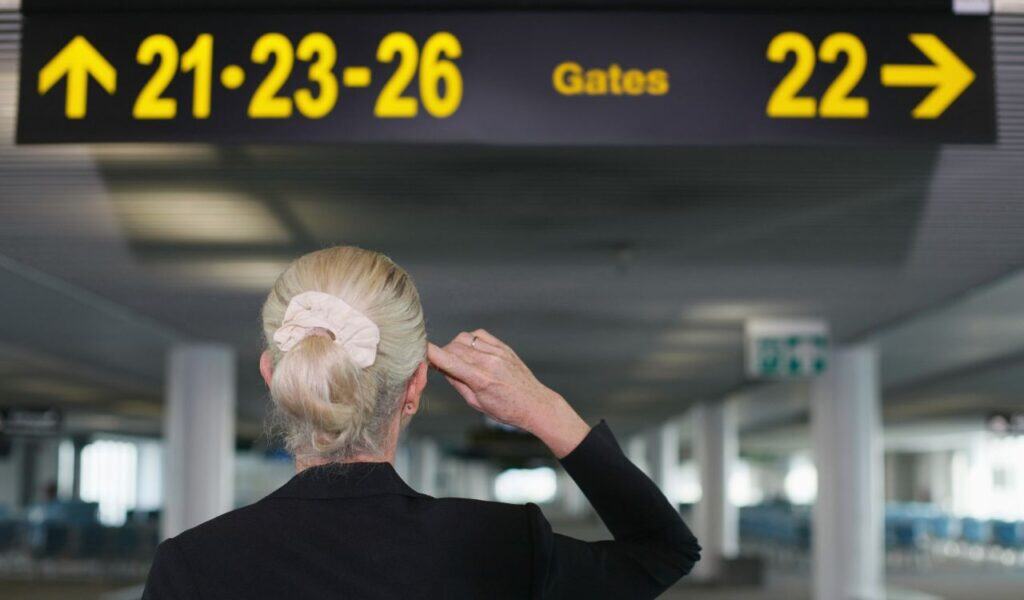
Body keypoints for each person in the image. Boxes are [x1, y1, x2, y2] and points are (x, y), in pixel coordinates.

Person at [142, 246, 700, 599]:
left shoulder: (192, 565)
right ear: (414, 388)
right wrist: (542, 408)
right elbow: (664, 551)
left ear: (274, 374)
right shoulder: (503, 546)